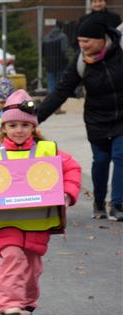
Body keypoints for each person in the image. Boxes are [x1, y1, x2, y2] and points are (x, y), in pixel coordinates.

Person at [0, 90, 82, 315]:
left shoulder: (48, 150)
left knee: (33, 268)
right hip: (3, 222)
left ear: (33, 127)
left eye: (24, 125)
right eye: (13, 125)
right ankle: (9, 302)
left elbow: (72, 169)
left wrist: (68, 192)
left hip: (38, 222)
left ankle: (26, 302)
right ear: (3, 128)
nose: (18, 130)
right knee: (13, 257)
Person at [37, 15, 123, 220]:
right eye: (79, 41)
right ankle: (99, 202)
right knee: (101, 160)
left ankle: (118, 204)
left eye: (87, 41)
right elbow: (61, 91)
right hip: (97, 118)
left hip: (122, 118)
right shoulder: (80, 61)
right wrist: (35, 117)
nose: (82, 45)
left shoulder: (120, 53)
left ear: (102, 39)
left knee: (121, 156)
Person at [42, 22, 69, 94]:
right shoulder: (63, 37)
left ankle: (51, 99)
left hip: (49, 64)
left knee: (51, 83)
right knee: (61, 83)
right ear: (62, 28)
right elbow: (64, 51)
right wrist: (67, 61)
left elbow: (43, 52)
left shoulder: (46, 37)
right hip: (61, 64)